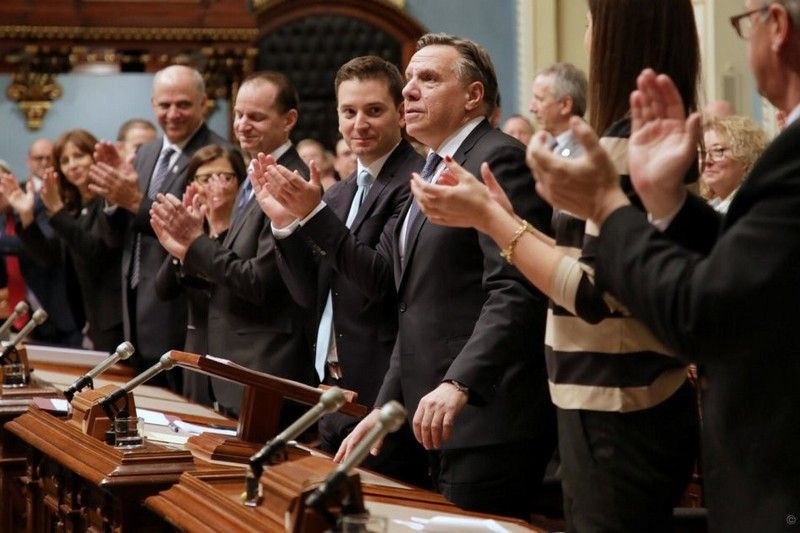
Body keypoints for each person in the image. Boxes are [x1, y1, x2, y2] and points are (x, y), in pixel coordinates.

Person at [410, 3, 701, 530]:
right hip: (605, 399)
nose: (585, 39)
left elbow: (593, 294)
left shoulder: (625, 143)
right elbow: (585, 266)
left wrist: (493, 222)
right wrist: (501, 218)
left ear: (616, 36)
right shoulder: (632, 133)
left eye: (591, 25)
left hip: (617, 404)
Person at [524, 1, 800, 530]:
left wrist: (601, 205)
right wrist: (669, 202)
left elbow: (700, 310)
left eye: (745, 23)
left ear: (779, 28)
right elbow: (740, 264)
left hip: (676, 419)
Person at [335, 34, 556, 520]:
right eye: (409, 79)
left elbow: (517, 288)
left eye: (428, 79)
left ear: (472, 97)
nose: (408, 90)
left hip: (486, 418)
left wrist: (460, 383)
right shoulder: (434, 169)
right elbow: (415, 308)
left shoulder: (496, 158)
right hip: (432, 418)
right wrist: (384, 406)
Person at [252, 56, 428, 486]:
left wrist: (313, 214)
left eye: (374, 110)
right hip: (332, 389)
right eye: (349, 112)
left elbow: (379, 281)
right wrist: (284, 224)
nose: (359, 124)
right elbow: (308, 293)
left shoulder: (415, 182)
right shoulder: (341, 192)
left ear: (401, 114)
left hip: (385, 390)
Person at [150, 71, 314, 416]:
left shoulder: (290, 180)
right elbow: (231, 262)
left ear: (289, 120)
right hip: (235, 367)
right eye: (239, 114)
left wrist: (195, 244)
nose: (242, 125)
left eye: (256, 117)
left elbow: (259, 283)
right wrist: (186, 252)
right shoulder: (254, 174)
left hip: (266, 368)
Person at [89, 65, 228, 390]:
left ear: (203, 104)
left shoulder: (217, 155)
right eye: (164, 105)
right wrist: (112, 199)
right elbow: (114, 237)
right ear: (153, 105)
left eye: (183, 104)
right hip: (133, 305)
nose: (173, 113)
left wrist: (134, 199)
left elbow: (195, 229)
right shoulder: (147, 152)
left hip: (181, 310)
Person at [2, 129, 124, 351]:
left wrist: (57, 210)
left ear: (95, 156)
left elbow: (95, 251)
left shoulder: (107, 201)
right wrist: (27, 215)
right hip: (87, 318)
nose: (73, 165)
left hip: (115, 320)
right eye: (65, 160)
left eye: (79, 156)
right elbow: (50, 256)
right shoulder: (74, 208)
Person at [154, 144, 246, 405]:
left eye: (226, 177)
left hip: (234, 351)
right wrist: (180, 249)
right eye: (205, 178)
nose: (215, 185)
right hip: (197, 344)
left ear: (241, 183)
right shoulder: (192, 228)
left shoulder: (244, 232)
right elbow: (163, 289)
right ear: (192, 185)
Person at [699, 115, 768, 213]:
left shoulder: (754, 207)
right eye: (702, 152)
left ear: (745, 157)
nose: (706, 161)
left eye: (718, 150)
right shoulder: (709, 207)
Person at [529, 62, 587, 159]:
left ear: (565, 105)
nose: (531, 108)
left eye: (539, 99)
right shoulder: (545, 146)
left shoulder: (585, 154)